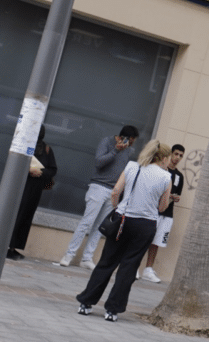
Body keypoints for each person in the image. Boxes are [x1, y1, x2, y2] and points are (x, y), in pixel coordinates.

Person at [75, 140, 172, 322]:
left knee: (106, 262)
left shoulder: (132, 166)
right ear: (164, 158)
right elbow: (162, 207)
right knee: (129, 267)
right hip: (145, 225)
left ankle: (86, 302)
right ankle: (112, 310)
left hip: (122, 220)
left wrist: (117, 208)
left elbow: (115, 192)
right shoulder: (166, 177)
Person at [56, 125, 138, 269]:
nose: (131, 144)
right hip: (98, 187)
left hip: (113, 191)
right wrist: (115, 151)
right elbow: (99, 162)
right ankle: (69, 254)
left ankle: (87, 258)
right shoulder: (106, 142)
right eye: (130, 141)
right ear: (123, 137)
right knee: (87, 222)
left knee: (100, 227)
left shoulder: (129, 151)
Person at [6, 125, 58, 260]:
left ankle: (14, 247)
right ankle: (6, 246)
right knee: (15, 215)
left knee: (25, 217)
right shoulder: (23, 146)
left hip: (34, 191)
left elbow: (53, 169)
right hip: (19, 187)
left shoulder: (47, 149)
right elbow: (14, 163)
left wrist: (40, 172)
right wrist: (28, 170)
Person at [138, 143, 184, 282]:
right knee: (144, 239)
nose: (177, 158)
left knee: (157, 242)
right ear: (170, 154)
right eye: (176, 154)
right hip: (153, 211)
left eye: (181, 156)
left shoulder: (179, 176)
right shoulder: (161, 170)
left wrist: (173, 197)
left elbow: (177, 195)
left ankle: (148, 269)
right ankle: (134, 266)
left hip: (167, 213)